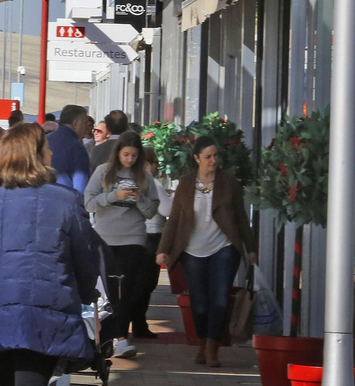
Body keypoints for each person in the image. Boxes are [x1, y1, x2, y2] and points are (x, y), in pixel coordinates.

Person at [0, 124, 102, 386]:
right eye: (46, 147)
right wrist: (82, 292)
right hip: (46, 307)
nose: (52, 152)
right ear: (35, 155)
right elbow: (86, 256)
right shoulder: (66, 200)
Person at [156, 135, 254, 368]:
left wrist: (251, 249)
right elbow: (174, 220)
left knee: (219, 299)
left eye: (216, 156)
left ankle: (212, 347)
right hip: (192, 249)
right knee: (199, 302)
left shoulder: (229, 182)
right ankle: (202, 342)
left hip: (224, 247)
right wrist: (164, 250)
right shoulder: (186, 184)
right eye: (208, 157)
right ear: (197, 158)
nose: (213, 161)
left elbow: (241, 218)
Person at [83, 130, 156, 360]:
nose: (130, 160)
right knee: (109, 289)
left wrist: (139, 200)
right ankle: (107, 335)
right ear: (118, 153)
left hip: (133, 237)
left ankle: (122, 337)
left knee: (128, 289)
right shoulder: (103, 172)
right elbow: (89, 203)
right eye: (126, 154)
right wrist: (114, 196)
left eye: (134, 155)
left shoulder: (145, 177)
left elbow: (152, 210)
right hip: (105, 236)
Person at [133, 146, 170, 339]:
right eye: (156, 163)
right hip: (152, 235)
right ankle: (139, 323)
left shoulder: (131, 180)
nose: (157, 167)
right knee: (147, 283)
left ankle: (137, 322)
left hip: (134, 234)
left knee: (137, 282)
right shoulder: (153, 182)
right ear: (147, 164)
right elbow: (167, 209)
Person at [46, 104, 90, 194]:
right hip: (65, 200)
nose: (87, 128)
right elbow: (80, 187)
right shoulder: (77, 148)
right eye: (85, 123)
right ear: (76, 124)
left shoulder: (44, 141)